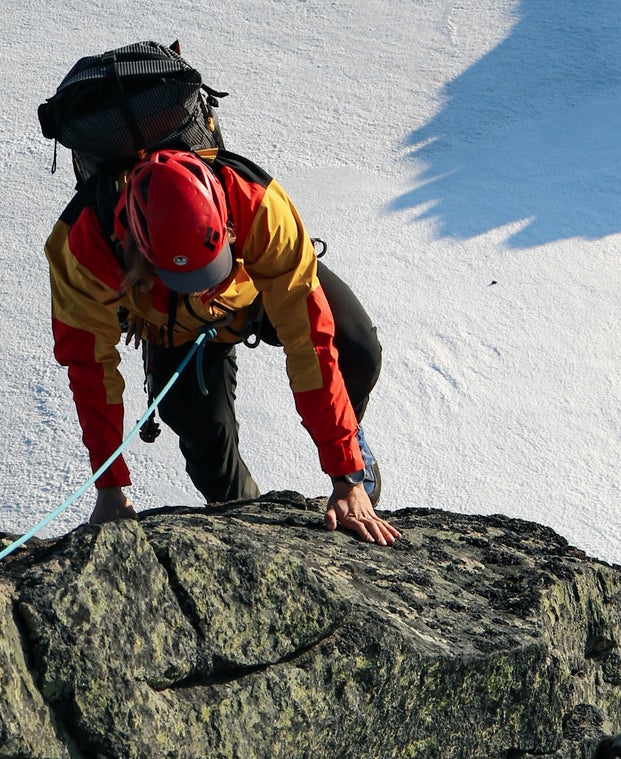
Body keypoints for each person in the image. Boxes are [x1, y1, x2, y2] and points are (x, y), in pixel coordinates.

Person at [47, 144, 398, 545]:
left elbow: (310, 340)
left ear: (228, 224)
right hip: (173, 330)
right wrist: (109, 488)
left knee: (356, 348)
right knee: (212, 457)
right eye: (189, 278)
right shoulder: (82, 247)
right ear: (139, 254)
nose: (205, 288)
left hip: (255, 294)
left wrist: (345, 472)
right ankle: (260, 533)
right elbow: (89, 367)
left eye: (210, 267)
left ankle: (350, 435)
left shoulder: (259, 204)